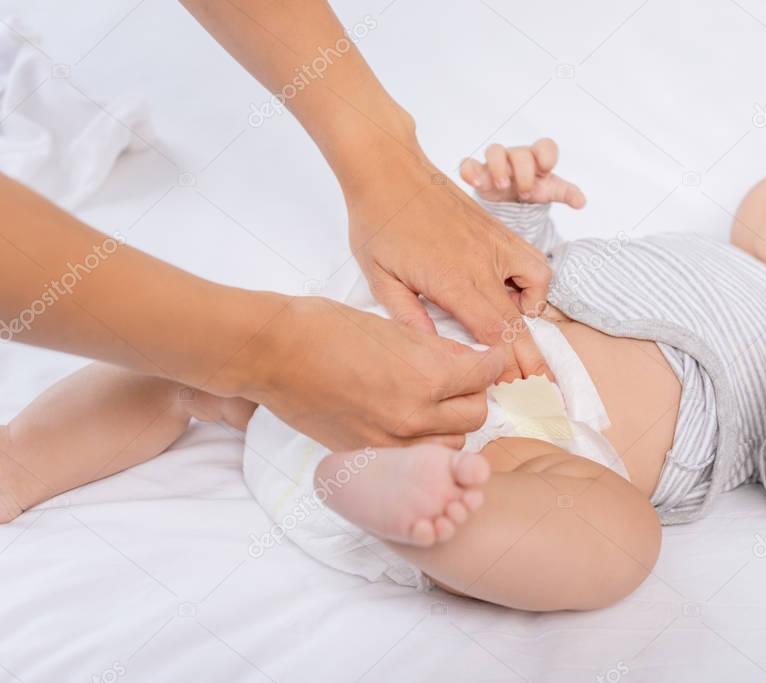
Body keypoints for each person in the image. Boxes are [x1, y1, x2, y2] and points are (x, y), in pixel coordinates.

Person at [1, 132, 766, 612]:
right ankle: (21, 460)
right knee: (188, 359)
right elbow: (522, 279)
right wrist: (519, 215)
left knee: (618, 541)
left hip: (519, 458)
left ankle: (409, 503)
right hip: (369, 363)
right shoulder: (673, 249)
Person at [0, 0, 556, 455]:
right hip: (386, 394)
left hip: (442, 434)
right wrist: (273, 354)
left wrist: (386, 160)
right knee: (174, 381)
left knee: (184, 383)